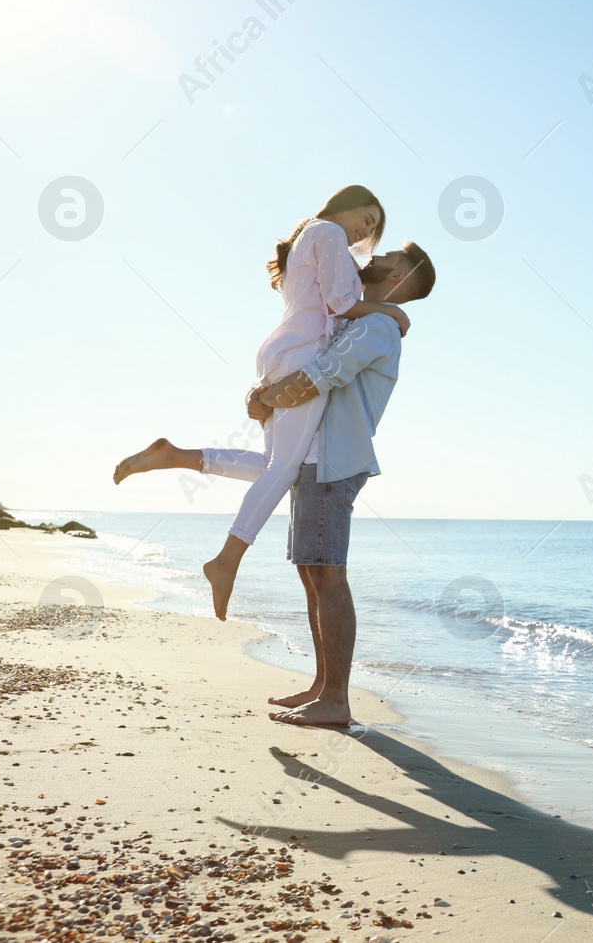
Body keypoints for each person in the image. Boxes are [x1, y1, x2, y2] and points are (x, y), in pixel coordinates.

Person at [113, 246, 434, 726]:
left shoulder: (379, 328)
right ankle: (323, 687)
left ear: (399, 274)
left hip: (332, 462)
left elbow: (323, 375)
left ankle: (336, 701)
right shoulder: (360, 318)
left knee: (328, 577)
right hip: (311, 457)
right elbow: (303, 360)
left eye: (386, 253)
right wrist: (260, 394)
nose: (374, 253)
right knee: (312, 576)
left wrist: (264, 398)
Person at [114, 185, 408, 621]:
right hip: (303, 354)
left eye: (372, 229)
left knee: (278, 465)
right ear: (344, 206)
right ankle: (227, 560)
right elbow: (341, 303)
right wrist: (394, 315)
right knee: (287, 468)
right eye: (365, 218)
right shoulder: (326, 231)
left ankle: (177, 456)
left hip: (282, 351)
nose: (365, 231)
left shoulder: (310, 238)